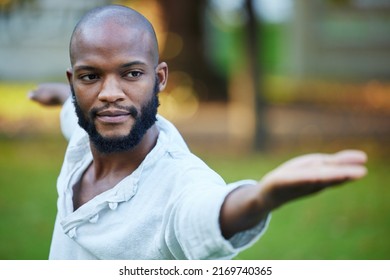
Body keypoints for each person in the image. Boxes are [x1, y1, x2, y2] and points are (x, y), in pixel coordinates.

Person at [29, 5, 367, 260]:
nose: (109, 94)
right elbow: (73, 114)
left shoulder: (180, 183)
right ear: (74, 83)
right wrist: (57, 95)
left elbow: (207, 211)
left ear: (160, 79)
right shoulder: (86, 133)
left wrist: (262, 198)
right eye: (91, 77)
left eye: (131, 74)